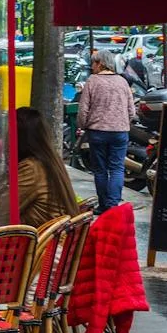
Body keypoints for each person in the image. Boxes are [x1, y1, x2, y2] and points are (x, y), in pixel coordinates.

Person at [77, 49, 136, 213]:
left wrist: (83, 125)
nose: (92, 67)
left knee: (100, 170)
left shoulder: (92, 81)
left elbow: (83, 109)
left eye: (93, 63)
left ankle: (103, 205)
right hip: (119, 132)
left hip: (97, 132)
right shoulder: (122, 82)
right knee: (117, 168)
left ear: (100, 63)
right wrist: (123, 122)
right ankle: (113, 205)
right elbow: (132, 111)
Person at [15, 106, 80, 226]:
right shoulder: (50, 160)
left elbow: (4, 210)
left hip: (39, 236)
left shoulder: (31, 168)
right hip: (54, 233)